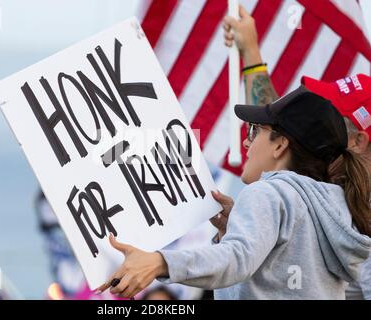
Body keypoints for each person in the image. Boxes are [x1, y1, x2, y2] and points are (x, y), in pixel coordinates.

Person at [96, 85, 371, 299]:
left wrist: (159, 261)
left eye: (255, 130)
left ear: (280, 146)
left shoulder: (269, 193)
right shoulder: (336, 206)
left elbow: (237, 259)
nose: (246, 140)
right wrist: (238, 228)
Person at [223, 5, 371, 300]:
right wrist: (250, 52)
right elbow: (277, 129)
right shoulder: (325, 190)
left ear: (356, 142)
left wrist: (165, 264)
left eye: (327, 119)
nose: (313, 125)